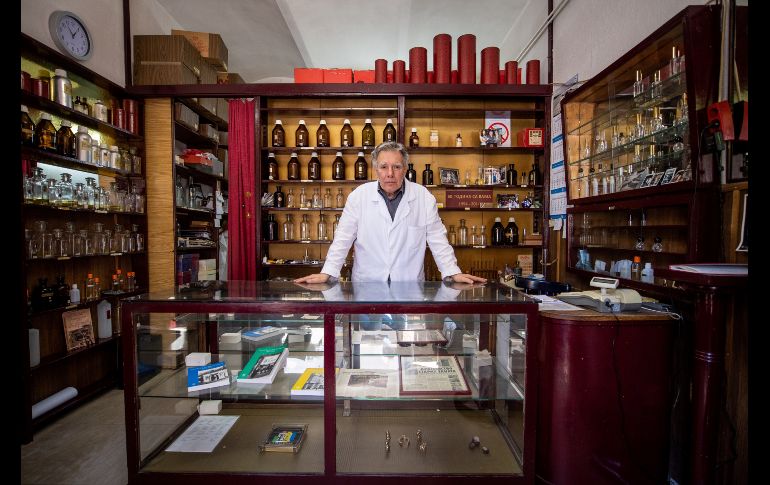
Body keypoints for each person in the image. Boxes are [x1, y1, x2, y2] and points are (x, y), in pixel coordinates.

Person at [294, 141, 486, 285]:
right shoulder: (358, 197)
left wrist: (452, 271)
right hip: (367, 286)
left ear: (405, 170)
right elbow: (342, 239)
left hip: (409, 287)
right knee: (367, 338)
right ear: (376, 169)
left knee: (408, 337)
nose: (390, 173)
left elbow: (438, 239)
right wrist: (328, 272)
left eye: (396, 167)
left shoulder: (423, 197)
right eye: (384, 167)